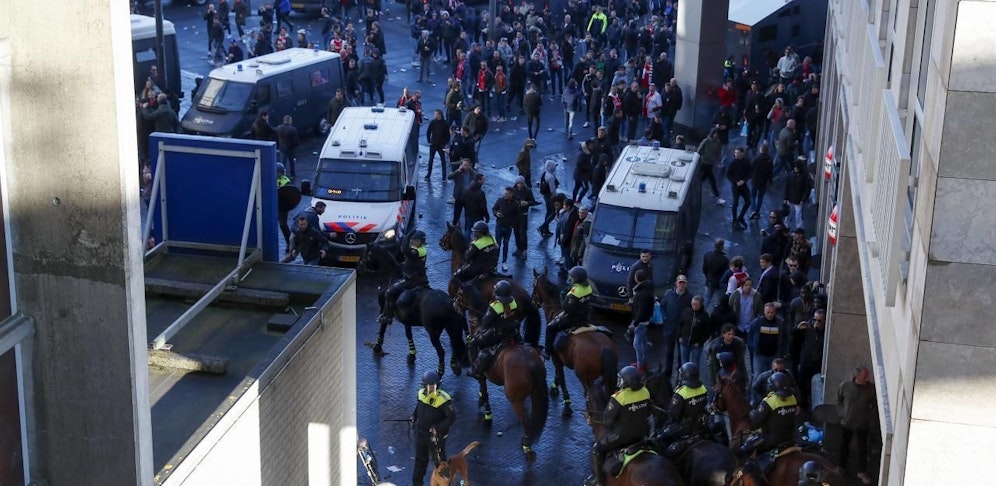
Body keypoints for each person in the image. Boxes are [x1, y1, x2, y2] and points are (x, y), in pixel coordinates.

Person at [586, 366, 652, 486]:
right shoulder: (645, 392)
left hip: (621, 437)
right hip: (641, 434)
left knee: (596, 449)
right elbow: (648, 412)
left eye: (622, 379)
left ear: (627, 382)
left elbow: (607, 421)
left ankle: (598, 481)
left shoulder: (619, 397)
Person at [741, 371, 799, 473]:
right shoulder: (793, 399)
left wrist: (753, 413)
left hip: (770, 440)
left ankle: (749, 475)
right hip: (790, 438)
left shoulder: (770, 401)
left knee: (745, 450)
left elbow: (755, 421)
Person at [411, 370, 456, 486]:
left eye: (434, 386)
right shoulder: (421, 393)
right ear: (424, 386)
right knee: (420, 461)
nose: (431, 388)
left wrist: (437, 428)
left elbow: (451, 418)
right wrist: (414, 416)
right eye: (429, 386)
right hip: (421, 434)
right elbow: (418, 408)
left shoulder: (443, 399)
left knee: (441, 466)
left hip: (436, 438)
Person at [470, 280, 520, 377]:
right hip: (512, 332)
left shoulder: (495, 307)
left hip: (498, 335)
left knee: (473, 343)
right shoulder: (514, 303)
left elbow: (485, 324)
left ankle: (475, 369)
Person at [378, 230, 429, 325]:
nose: (414, 242)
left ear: (422, 242)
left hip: (413, 281)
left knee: (389, 292)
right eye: (413, 240)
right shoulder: (416, 249)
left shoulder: (420, 250)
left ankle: (388, 317)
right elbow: (409, 262)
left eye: (416, 240)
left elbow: (404, 249)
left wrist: (407, 236)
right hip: (415, 277)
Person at [837, 366, 877, 485]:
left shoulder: (870, 389)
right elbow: (838, 399)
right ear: (857, 376)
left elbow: (874, 404)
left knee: (863, 449)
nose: (867, 378)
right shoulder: (845, 386)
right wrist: (842, 413)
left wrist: (869, 417)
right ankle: (841, 467)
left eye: (867, 375)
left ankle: (862, 471)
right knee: (844, 446)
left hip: (863, 424)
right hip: (847, 422)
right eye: (864, 376)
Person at [544, 266, 592, 359]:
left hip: (572, 319)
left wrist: (563, 297)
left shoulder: (575, 292)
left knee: (550, 328)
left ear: (577, 279)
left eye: (573, 277)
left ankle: (547, 352)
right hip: (585, 317)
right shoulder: (588, 288)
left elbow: (566, 308)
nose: (571, 278)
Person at [658, 362, 709, 446]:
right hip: (701, 425)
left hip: (684, 428)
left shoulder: (681, 392)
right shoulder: (703, 388)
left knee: (660, 439)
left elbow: (673, 414)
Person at [707, 324, 749, 392]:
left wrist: (745, 380)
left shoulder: (738, 344)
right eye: (728, 334)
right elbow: (713, 366)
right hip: (721, 371)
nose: (731, 336)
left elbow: (741, 363)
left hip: (734, 370)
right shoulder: (716, 347)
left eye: (732, 334)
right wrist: (713, 382)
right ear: (723, 335)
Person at [627, 269, 654, 373]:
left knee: (637, 344)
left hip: (641, 322)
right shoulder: (647, 289)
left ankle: (640, 365)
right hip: (644, 320)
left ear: (636, 278)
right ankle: (643, 362)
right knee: (643, 342)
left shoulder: (642, 293)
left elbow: (642, 310)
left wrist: (635, 323)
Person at [492, 187, 518, 272]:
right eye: (504, 193)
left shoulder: (515, 204)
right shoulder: (500, 200)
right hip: (499, 227)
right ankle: (495, 263)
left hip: (508, 228)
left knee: (506, 245)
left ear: (511, 194)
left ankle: (504, 262)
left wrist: (512, 225)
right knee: (497, 245)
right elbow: (494, 209)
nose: (504, 195)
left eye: (506, 194)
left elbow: (517, 216)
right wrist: (496, 213)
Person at [697, 129, 725, 205]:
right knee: (712, 179)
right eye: (715, 133)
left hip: (711, 163)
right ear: (712, 133)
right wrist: (698, 157)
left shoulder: (718, 142)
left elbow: (719, 153)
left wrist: (719, 162)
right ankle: (717, 197)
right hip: (704, 162)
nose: (716, 135)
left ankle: (696, 188)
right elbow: (699, 149)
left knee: (703, 178)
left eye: (717, 134)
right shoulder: (706, 141)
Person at [727, 147, 753, 229]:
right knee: (735, 203)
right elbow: (728, 174)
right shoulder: (732, 163)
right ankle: (734, 221)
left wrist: (744, 180)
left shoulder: (746, 162)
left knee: (748, 201)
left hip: (743, 185)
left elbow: (750, 173)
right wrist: (735, 182)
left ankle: (741, 217)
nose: (736, 154)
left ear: (742, 153)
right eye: (735, 153)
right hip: (736, 186)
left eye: (738, 153)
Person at [702, 239, 730, 307]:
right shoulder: (724, 259)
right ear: (722, 246)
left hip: (709, 282)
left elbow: (704, 269)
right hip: (719, 284)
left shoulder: (707, 255)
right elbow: (726, 274)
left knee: (706, 301)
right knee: (721, 301)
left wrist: (708, 277)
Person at [425, 109, 450, 180]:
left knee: (443, 160)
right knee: (431, 159)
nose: (435, 115)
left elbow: (447, 135)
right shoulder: (433, 122)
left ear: (439, 115)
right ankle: (428, 174)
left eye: (436, 114)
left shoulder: (445, 123)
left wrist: (444, 143)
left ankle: (444, 176)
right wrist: (429, 141)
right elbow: (428, 132)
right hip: (433, 144)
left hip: (441, 145)